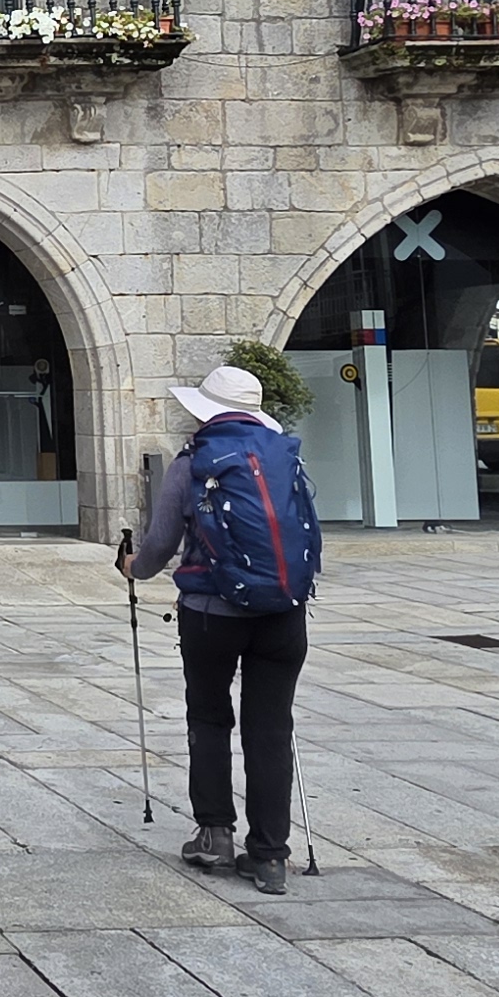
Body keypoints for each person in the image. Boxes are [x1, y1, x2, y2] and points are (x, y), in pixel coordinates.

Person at [122, 364, 323, 896]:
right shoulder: (286, 458)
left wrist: (132, 568)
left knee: (210, 718)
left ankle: (214, 834)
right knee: (271, 728)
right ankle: (271, 856)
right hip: (284, 614)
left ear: (204, 410)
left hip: (212, 612)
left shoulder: (192, 463)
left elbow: (159, 546)